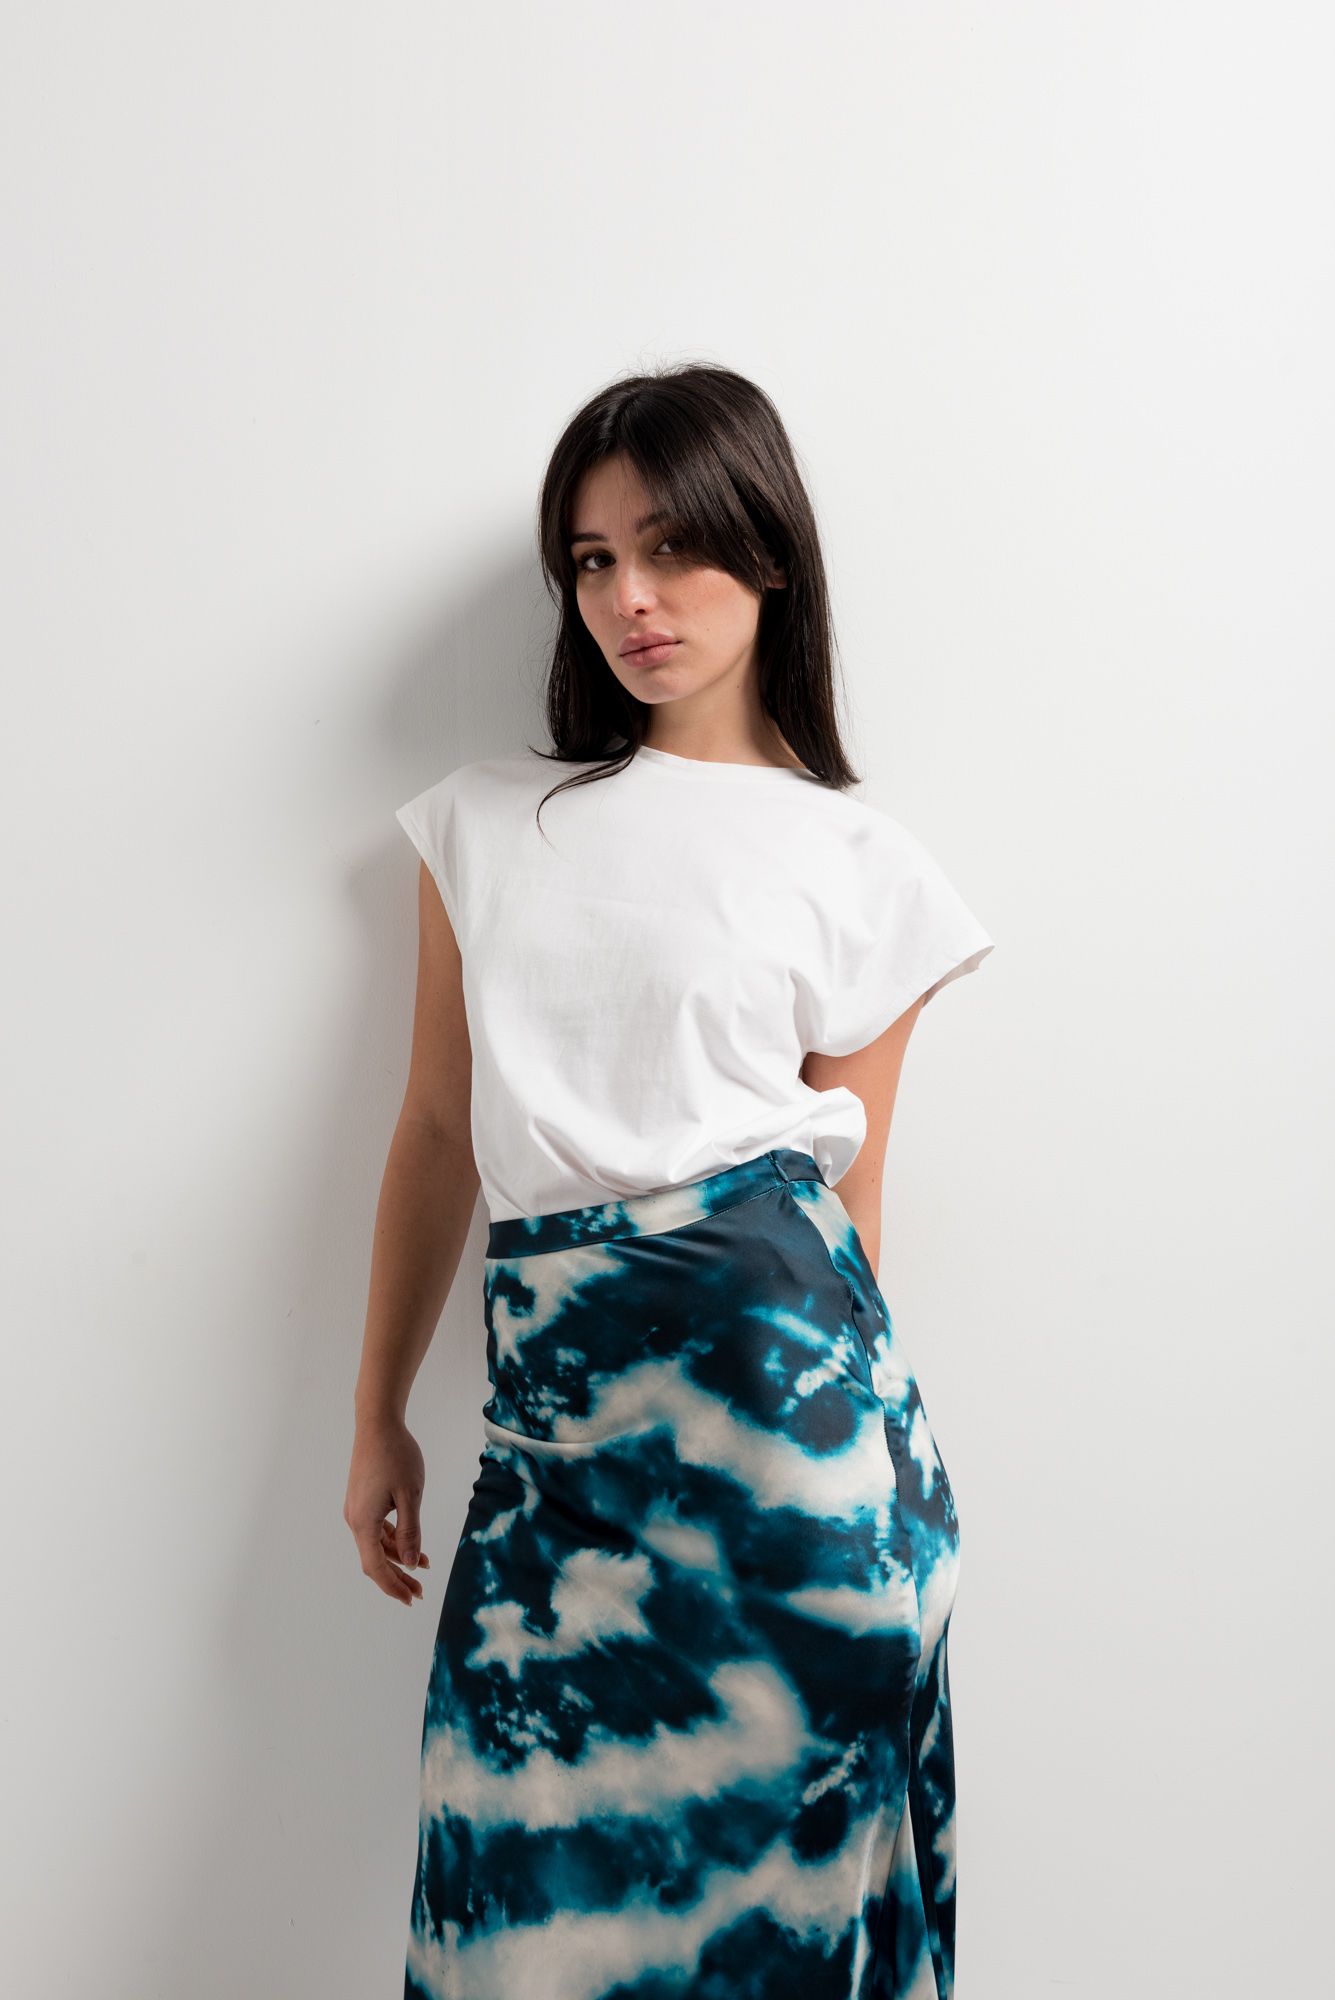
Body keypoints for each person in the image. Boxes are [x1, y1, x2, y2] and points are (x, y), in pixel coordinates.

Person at [345, 362, 995, 2000]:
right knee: (514, 1915)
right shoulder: (488, 826)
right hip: (553, 1457)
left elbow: (850, 1216)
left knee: (785, 1938)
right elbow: (437, 1127)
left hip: (795, 1474)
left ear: (766, 552)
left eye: (670, 548)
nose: (628, 598)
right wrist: (378, 1412)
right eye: (591, 560)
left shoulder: (863, 865)